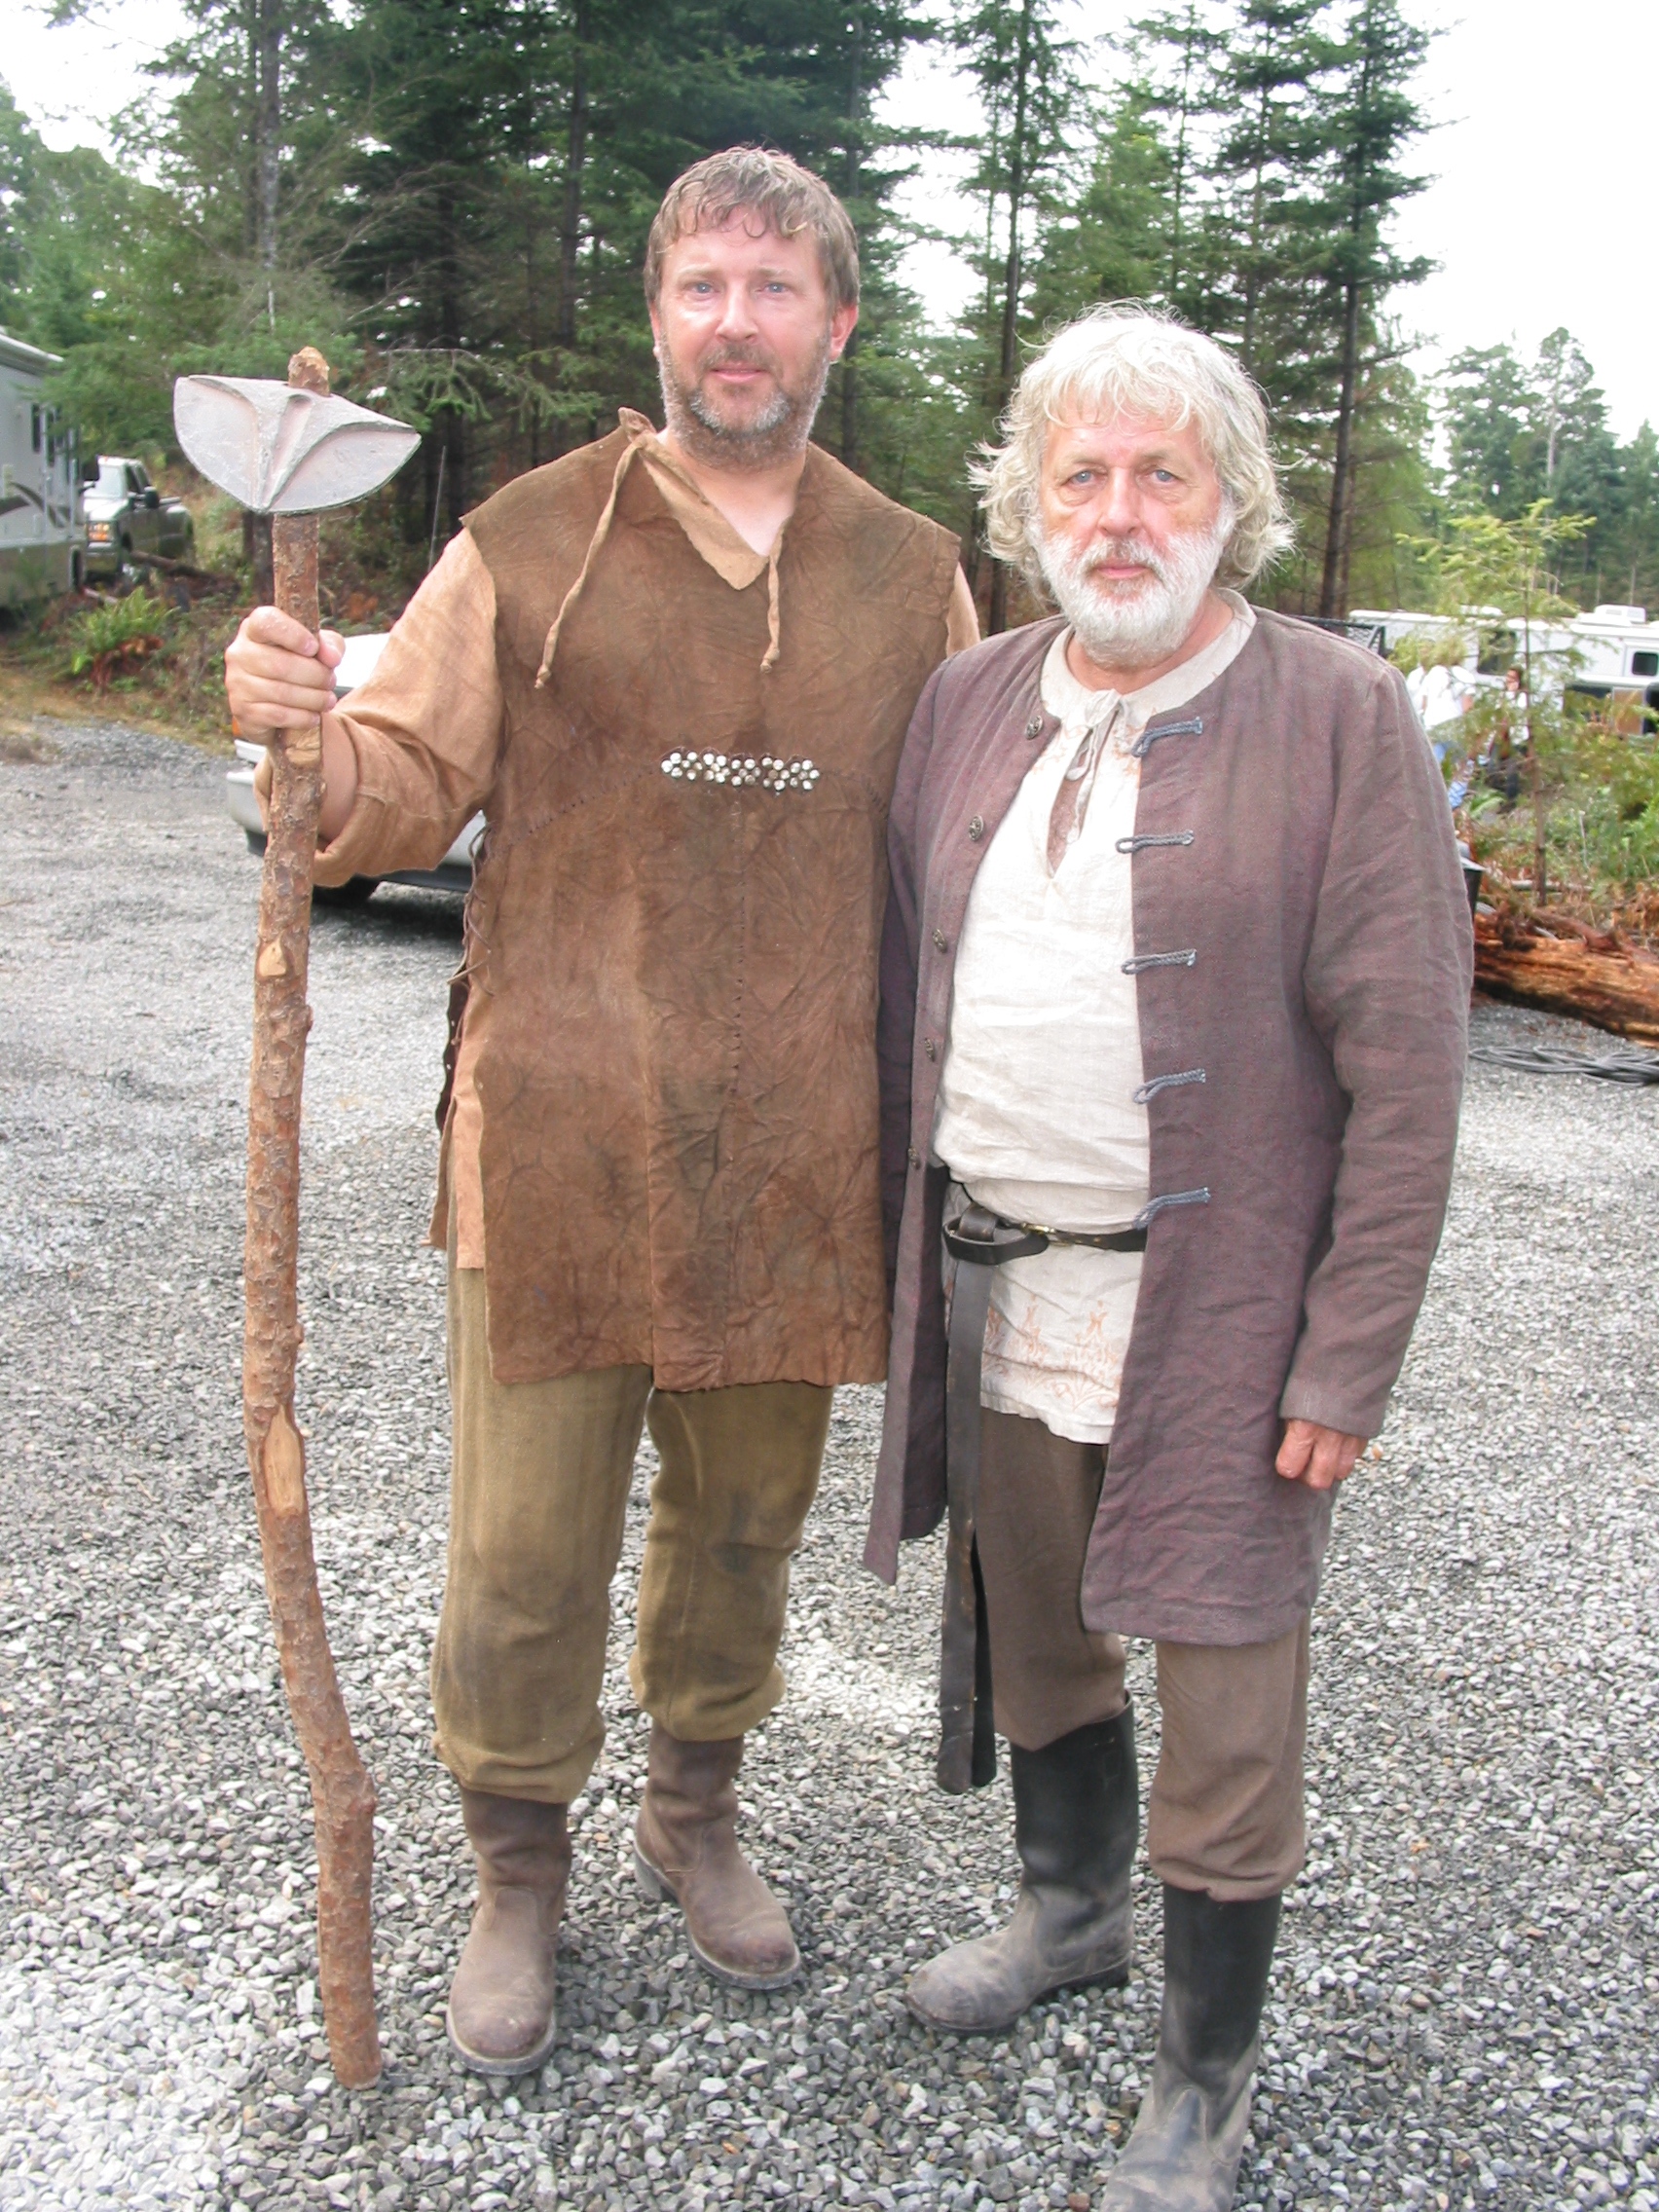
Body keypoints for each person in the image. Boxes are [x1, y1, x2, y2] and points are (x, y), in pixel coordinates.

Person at [224, 145, 977, 2076]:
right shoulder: (531, 538)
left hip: (798, 1152)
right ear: (660, 315)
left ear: (839, 321)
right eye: (704, 285)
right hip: (552, 1137)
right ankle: (515, 1863)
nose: (738, 320)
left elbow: (981, 854)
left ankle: (694, 1807)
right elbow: (391, 789)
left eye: (775, 286)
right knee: (521, 1550)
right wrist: (297, 744)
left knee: (741, 1532)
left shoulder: (913, 579)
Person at [866, 306, 1470, 2210]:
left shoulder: (1340, 715)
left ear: (1231, 504)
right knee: (1040, 1637)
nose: (1120, 516)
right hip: (997, 1279)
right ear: (1031, 503)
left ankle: (1203, 2077)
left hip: (1213, 1313)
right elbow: (909, 989)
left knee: (1224, 1688)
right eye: (1083, 477)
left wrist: (1342, 1359)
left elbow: (1411, 1069)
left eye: (1162, 477)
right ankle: (1068, 1912)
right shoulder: (970, 701)